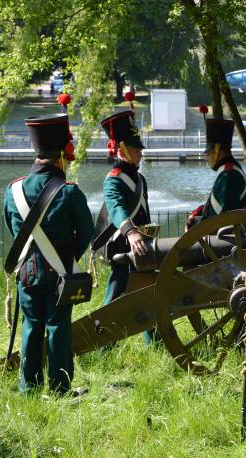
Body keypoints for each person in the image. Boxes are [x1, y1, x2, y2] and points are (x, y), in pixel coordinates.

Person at [3, 113, 94, 395]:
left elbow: (13, 229)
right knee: (58, 328)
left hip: (27, 272)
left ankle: (29, 389)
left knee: (31, 327)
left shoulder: (13, 189)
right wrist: (67, 258)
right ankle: (59, 389)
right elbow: (87, 232)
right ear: (61, 157)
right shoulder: (69, 191)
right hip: (61, 275)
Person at [95, 109, 158, 344]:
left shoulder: (140, 179)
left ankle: (154, 341)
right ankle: (102, 342)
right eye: (135, 150)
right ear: (121, 150)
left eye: (140, 149)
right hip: (123, 244)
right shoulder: (113, 178)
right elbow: (116, 208)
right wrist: (131, 233)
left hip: (142, 244)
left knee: (147, 293)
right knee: (115, 298)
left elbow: (144, 212)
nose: (140, 154)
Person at [187, 118, 246, 227]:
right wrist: (201, 212)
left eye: (208, 153)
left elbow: (227, 217)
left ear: (218, 152)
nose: (206, 158)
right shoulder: (227, 170)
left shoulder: (229, 174)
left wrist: (194, 223)